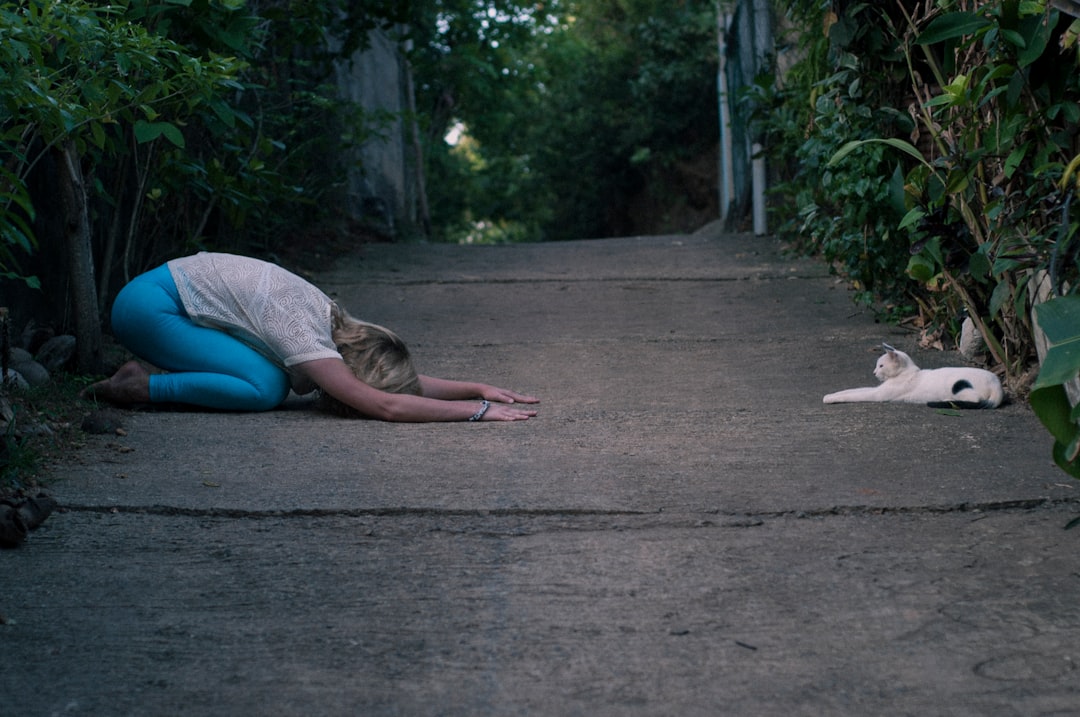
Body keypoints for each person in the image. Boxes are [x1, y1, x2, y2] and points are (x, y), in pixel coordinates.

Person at [82, 252, 539, 422]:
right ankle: (140, 387)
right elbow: (384, 402)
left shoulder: (332, 325)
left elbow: (388, 386)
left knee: (266, 379)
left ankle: (138, 376)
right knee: (265, 388)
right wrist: (475, 411)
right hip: (148, 308)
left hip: (157, 297)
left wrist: (474, 385)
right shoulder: (306, 334)